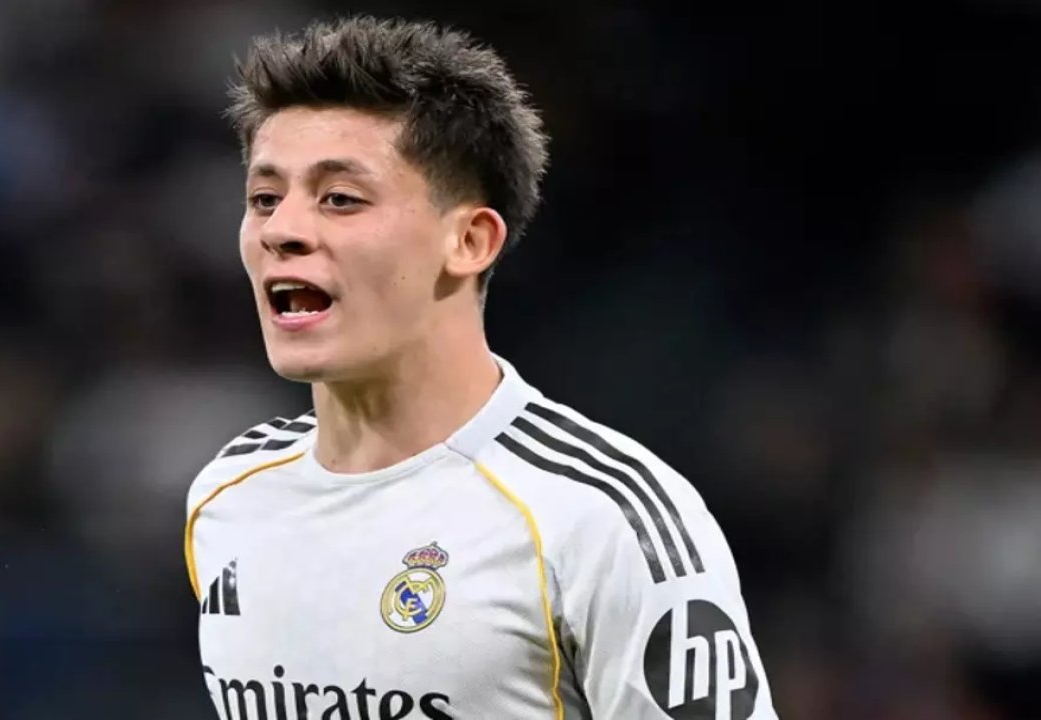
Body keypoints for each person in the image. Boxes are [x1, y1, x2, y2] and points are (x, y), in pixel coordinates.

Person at [185, 15, 778, 720]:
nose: (282, 230)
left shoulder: (603, 519)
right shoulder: (229, 496)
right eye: (264, 199)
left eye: (340, 198)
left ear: (469, 240)